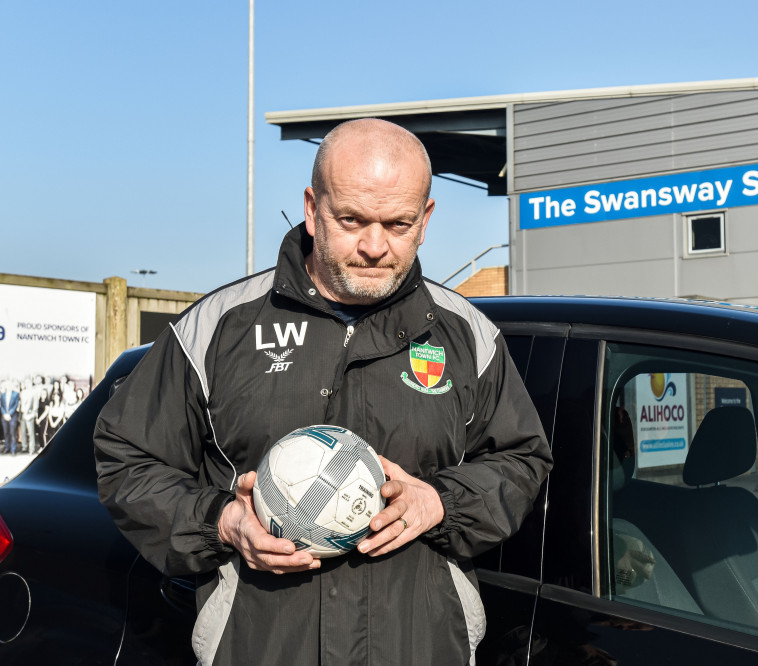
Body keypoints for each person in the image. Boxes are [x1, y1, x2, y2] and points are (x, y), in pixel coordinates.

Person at [94, 118, 552, 666]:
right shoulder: (219, 328)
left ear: (426, 219)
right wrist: (222, 522)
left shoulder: (468, 336)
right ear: (313, 209)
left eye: (398, 223)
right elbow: (127, 459)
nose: (374, 246)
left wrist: (441, 502)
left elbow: (523, 459)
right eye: (352, 219)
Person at [1, 381, 19, 455]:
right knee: (6, 433)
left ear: (12, 386)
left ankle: (13, 450)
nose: (8, 387)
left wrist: (9, 414)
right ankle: (7, 448)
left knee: (12, 433)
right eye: (7, 385)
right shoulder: (2, 394)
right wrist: (5, 414)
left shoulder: (16, 394)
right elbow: (1, 405)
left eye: (10, 385)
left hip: (13, 417)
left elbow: (16, 405)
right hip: (4, 417)